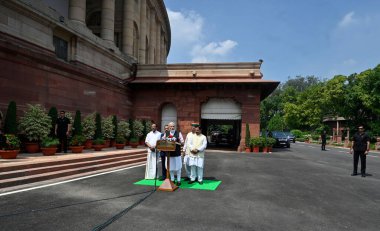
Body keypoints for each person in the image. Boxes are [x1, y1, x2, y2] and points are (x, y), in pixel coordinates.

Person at [162, 122, 184, 186]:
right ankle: (172, 179)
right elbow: (163, 141)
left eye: (173, 126)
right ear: (168, 127)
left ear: (175, 127)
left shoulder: (178, 133)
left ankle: (179, 180)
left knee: (178, 167)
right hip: (169, 154)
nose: (172, 127)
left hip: (176, 153)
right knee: (170, 167)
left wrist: (177, 143)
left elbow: (182, 142)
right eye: (171, 126)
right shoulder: (166, 133)